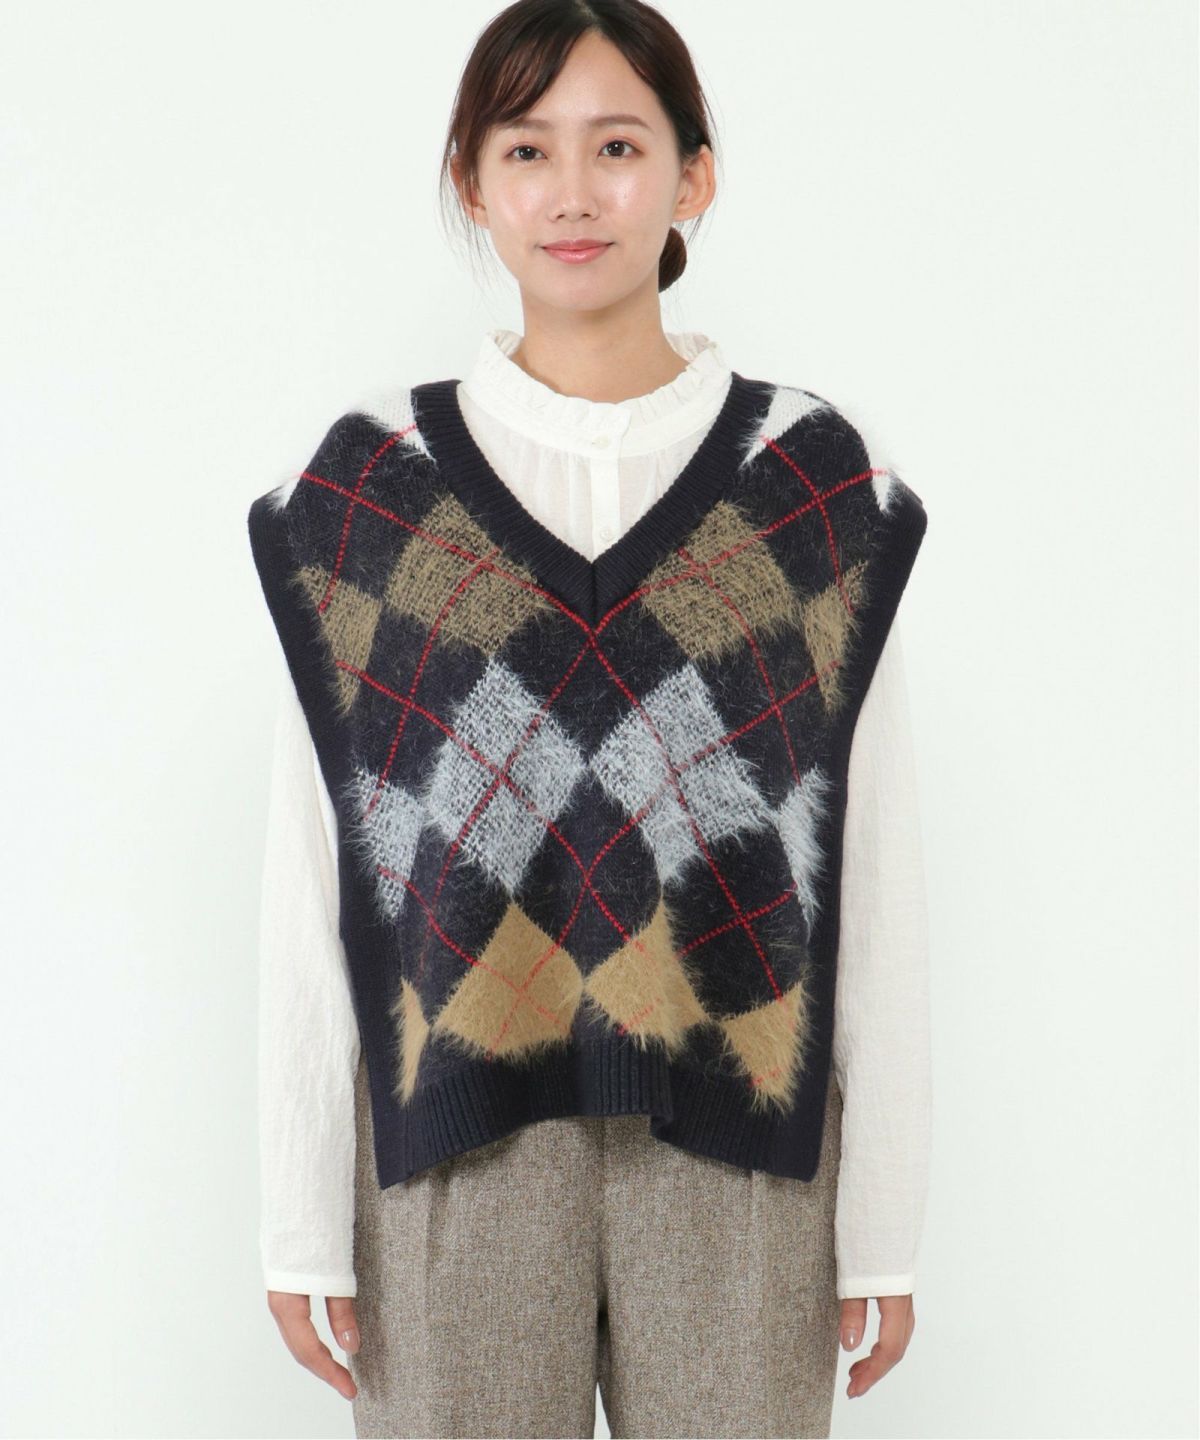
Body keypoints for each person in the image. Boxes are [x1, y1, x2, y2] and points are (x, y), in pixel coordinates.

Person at [247, 3, 931, 1436]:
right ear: (471, 180)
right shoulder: (369, 495)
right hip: (453, 1150)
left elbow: (872, 868)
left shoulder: (810, 487)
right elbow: (317, 875)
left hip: (742, 1144)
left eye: (618, 147)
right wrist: (299, 1218)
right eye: (526, 149)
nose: (572, 192)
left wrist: (882, 1225)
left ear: (694, 175)